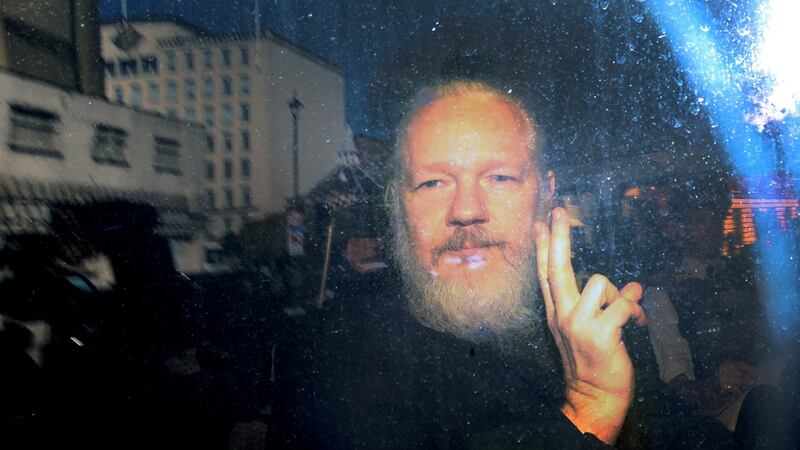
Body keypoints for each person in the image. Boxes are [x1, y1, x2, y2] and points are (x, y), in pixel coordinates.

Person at [280, 80, 647, 449]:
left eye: (499, 178)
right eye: (433, 183)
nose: (467, 210)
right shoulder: (333, 358)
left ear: (546, 192)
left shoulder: (601, 332)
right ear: (397, 205)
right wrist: (592, 406)